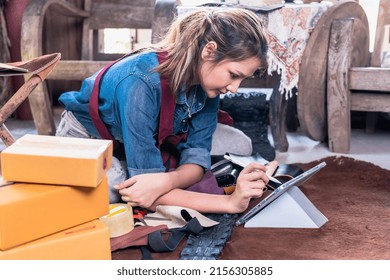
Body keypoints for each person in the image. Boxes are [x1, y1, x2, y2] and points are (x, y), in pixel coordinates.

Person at [56, 8, 278, 214]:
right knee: (120, 187)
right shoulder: (139, 85)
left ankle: (153, 169)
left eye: (242, 79)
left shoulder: (208, 83)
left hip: (145, 137)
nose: (234, 88)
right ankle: (127, 169)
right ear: (209, 51)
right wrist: (229, 203)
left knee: (238, 144)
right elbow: (148, 190)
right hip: (89, 139)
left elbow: (197, 156)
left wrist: (167, 181)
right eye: (233, 75)